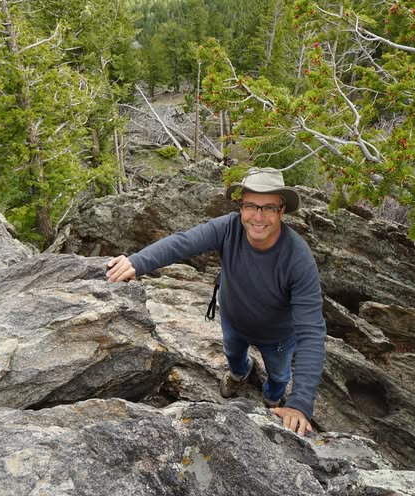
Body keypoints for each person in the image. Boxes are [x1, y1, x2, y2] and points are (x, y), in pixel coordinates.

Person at [105, 167, 326, 436]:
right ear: (241, 207)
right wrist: (137, 262)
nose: (258, 216)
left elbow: (311, 330)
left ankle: (272, 400)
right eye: (251, 206)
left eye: (268, 208)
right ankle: (238, 375)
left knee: (279, 376)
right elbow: (183, 243)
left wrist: (300, 404)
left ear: (282, 212)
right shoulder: (228, 227)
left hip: (278, 337)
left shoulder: (297, 258)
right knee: (233, 355)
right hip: (233, 320)